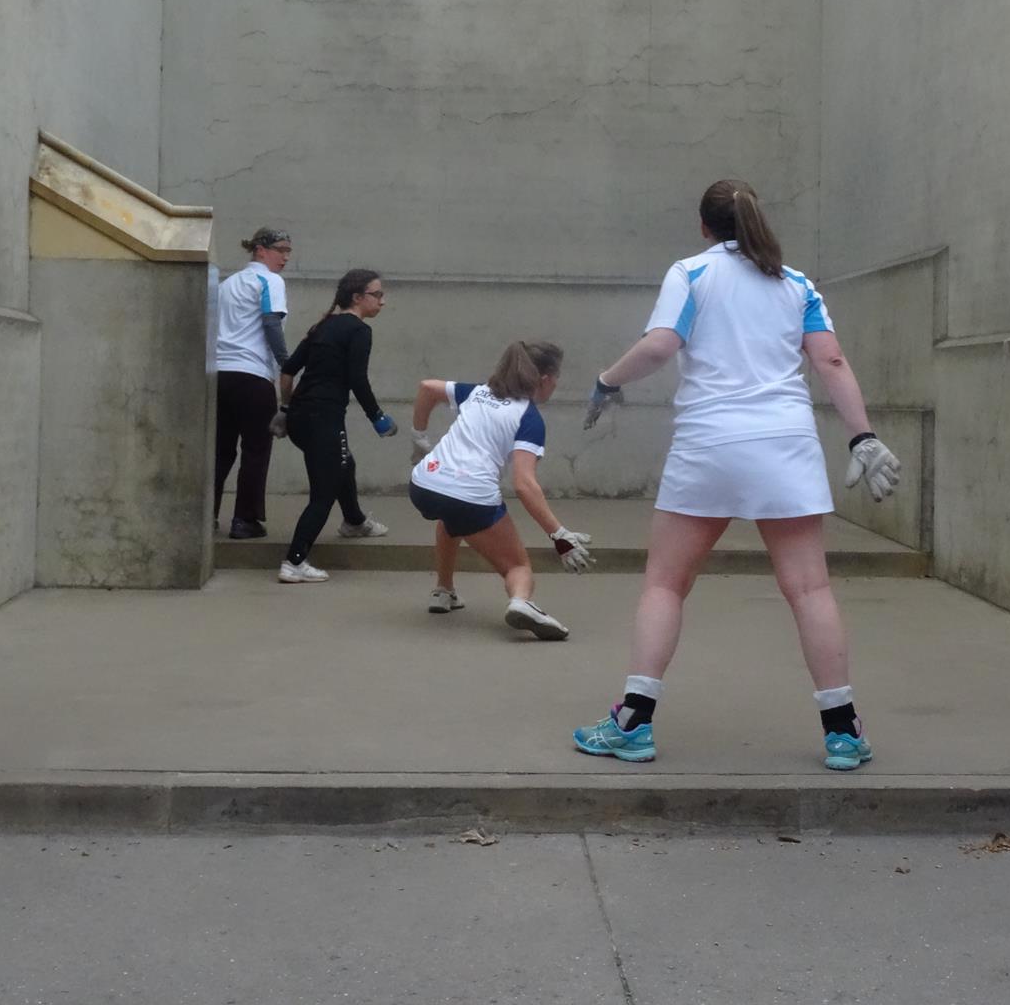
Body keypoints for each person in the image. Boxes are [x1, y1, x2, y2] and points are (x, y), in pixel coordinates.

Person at [570, 179, 901, 771]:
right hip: (785, 444)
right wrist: (863, 435)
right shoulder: (796, 283)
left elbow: (661, 344)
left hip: (711, 445)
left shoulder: (691, 273)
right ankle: (843, 731)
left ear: (704, 227)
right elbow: (830, 360)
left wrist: (606, 380)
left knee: (665, 585)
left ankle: (632, 726)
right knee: (811, 590)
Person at [408, 340, 595, 641]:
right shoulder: (529, 418)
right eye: (557, 377)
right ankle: (521, 601)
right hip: (472, 499)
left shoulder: (478, 391)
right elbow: (524, 483)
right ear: (545, 379)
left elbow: (427, 387)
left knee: (452, 518)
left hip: (423, 486)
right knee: (518, 566)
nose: (557, 384)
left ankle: (443, 591)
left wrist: (419, 437)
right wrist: (559, 535)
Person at [276, 269, 397, 583]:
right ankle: (294, 561)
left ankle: (354, 522)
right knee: (323, 492)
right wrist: (377, 417)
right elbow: (357, 379)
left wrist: (285, 410)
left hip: (301, 417)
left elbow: (288, 371)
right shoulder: (358, 330)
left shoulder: (322, 326)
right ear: (358, 298)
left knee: (344, 463)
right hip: (322, 418)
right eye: (377, 294)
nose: (382, 301)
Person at [213, 228, 293, 539]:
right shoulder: (270, 281)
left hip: (219, 375)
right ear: (261, 250)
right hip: (253, 375)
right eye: (281, 250)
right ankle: (244, 520)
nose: (285, 257)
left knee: (220, 451)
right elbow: (271, 322)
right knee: (256, 449)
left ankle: (206, 515)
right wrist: (288, 365)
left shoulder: (227, 283)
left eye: (288, 251)